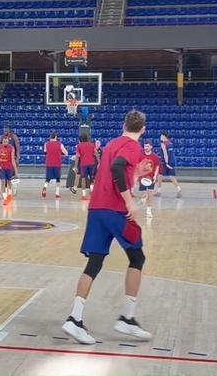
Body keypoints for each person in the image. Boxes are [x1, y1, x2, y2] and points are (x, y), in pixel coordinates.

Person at [62, 110, 155, 345]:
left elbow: (115, 174)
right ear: (143, 129)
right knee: (137, 258)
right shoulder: (133, 147)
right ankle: (127, 317)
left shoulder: (113, 143)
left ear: (123, 124)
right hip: (115, 211)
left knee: (94, 262)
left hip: (97, 210)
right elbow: (117, 168)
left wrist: (136, 174)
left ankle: (75, 318)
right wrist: (129, 202)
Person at [139, 141, 161, 219]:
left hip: (151, 177)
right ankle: (144, 198)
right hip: (142, 177)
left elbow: (157, 166)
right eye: (145, 146)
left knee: (150, 194)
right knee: (144, 194)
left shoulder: (154, 156)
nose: (146, 148)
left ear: (151, 147)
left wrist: (155, 176)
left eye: (147, 146)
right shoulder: (140, 155)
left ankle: (149, 211)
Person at [43, 132, 68, 199]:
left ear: (50, 137)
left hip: (49, 163)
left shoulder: (46, 144)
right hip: (57, 163)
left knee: (48, 178)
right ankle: (57, 193)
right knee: (58, 179)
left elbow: (45, 152)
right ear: (56, 137)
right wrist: (61, 155)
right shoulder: (60, 144)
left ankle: (45, 186)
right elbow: (66, 153)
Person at [157, 131, 181, 198]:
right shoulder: (169, 143)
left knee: (170, 176)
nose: (160, 137)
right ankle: (159, 191)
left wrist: (167, 163)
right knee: (160, 175)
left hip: (168, 162)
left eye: (161, 136)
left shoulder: (166, 144)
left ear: (164, 137)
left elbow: (166, 154)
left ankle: (178, 189)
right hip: (166, 162)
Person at [0, 135, 18, 205]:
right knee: (3, 181)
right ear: (2, 141)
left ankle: (10, 194)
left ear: (8, 141)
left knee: (9, 182)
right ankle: (5, 198)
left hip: (9, 167)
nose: (5, 141)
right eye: (4, 141)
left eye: (6, 140)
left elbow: (13, 160)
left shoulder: (11, 148)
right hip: (2, 167)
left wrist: (16, 170)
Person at [75, 134, 97, 200]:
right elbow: (96, 154)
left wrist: (75, 166)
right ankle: (92, 192)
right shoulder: (92, 145)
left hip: (83, 164)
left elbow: (77, 157)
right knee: (91, 178)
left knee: (83, 179)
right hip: (92, 163)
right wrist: (99, 162)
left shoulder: (79, 146)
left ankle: (84, 195)